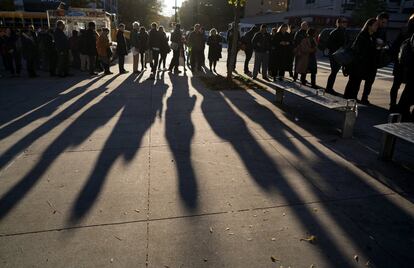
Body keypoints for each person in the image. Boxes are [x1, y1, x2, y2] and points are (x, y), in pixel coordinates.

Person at [343, 18, 379, 102]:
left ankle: (352, 98)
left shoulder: (372, 36)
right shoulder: (362, 35)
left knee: (356, 82)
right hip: (357, 64)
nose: (377, 26)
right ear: (369, 26)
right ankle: (347, 99)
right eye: (375, 25)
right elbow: (359, 51)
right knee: (353, 82)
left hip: (363, 65)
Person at [360, 12, 389, 104]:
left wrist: (382, 45)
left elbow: (383, 43)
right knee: (359, 79)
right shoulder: (372, 28)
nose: (384, 24)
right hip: (366, 58)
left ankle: (365, 97)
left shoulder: (383, 31)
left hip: (375, 59)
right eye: (383, 22)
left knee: (370, 80)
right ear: (378, 19)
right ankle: (355, 97)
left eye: (385, 23)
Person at [389, 13, 414, 111]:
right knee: (407, 87)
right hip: (407, 65)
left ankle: (393, 104)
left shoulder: (403, 30)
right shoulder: (408, 33)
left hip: (401, 63)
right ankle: (402, 108)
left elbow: (395, 47)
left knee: (397, 85)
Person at [326, 17, 349, 94]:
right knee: (334, 72)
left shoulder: (344, 32)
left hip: (339, 55)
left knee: (334, 72)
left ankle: (329, 88)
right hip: (335, 55)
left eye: (346, 22)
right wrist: (339, 48)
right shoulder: (335, 32)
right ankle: (329, 88)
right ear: (338, 23)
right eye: (343, 22)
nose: (345, 23)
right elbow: (329, 45)